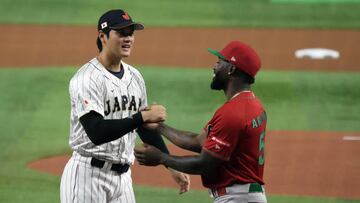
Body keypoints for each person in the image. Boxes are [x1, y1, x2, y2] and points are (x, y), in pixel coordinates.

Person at [60, 9, 189, 203]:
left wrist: (170, 164)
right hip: (87, 175)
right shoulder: (86, 78)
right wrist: (141, 117)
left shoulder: (135, 77)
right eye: (121, 33)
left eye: (131, 33)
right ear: (102, 36)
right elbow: (96, 132)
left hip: (123, 179)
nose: (128, 38)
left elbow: (144, 129)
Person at [135, 41, 268, 203]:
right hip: (244, 195)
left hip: (238, 197)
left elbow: (204, 163)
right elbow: (199, 142)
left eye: (220, 62)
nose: (214, 67)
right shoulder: (252, 104)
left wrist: (161, 158)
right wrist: (160, 127)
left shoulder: (233, 113)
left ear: (231, 69)